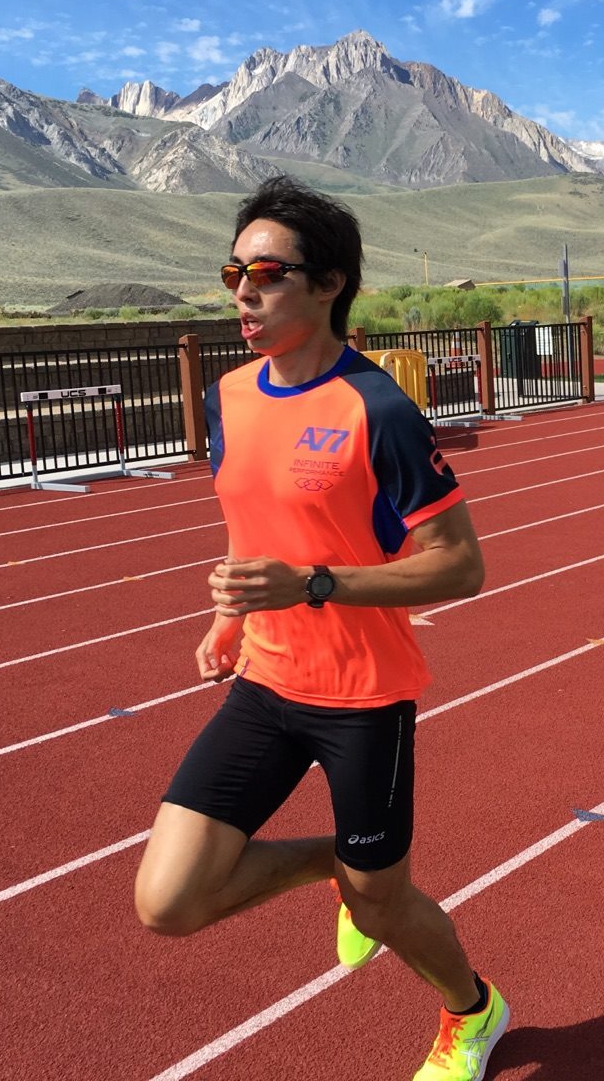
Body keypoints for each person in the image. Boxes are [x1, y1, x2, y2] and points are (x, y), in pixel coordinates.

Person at [133, 176, 509, 1081]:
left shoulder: (376, 409)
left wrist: (312, 584)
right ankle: (333, 867)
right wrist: (231, 614)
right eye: (233, 273)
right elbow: (247, 517)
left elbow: (463, 565)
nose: (242, 294)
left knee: (385, 907)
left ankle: (473, 1011)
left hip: (362, 698)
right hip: (266, 682)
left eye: (265, 274)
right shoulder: (228, 397)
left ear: (329, 284)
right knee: (168, 901)